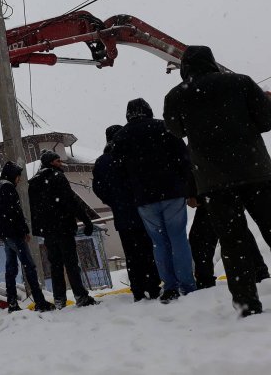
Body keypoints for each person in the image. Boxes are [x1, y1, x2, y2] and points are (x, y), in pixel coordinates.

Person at [164, 45, 271, 316]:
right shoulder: (241, 82)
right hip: (254, 170)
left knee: (233, 242)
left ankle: (247, 302)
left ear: (185, 67)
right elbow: (266, 120)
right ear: (212, 62)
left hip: (213, 180)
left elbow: (176, 130)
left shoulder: (177, 96)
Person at [112, 98, 196, 303]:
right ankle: (187, 284)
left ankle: (170, 286)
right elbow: (185, 159)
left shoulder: (121, 137)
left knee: (158, 243)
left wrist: (133, 193)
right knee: (178, 239)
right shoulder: (165, 128)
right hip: (172, 193)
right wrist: (189, 188)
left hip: (144, 199)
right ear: (148, 111)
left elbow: (118, 172)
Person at [93, 125, 161, 301]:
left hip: (122, 215)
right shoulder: (132, 155)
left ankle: (137, 290)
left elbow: (98, 188)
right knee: (148, 251)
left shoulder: (102, 162)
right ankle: (153, 286)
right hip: (142, 211)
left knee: (131, 254)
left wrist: (114, 201)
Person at [28, 150, 97, 309]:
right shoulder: (57, 178)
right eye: (58, 161)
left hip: (48, 231)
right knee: (71, 263)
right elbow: (71, 201)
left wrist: (40, 228)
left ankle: (59, 299)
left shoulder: (34, 182)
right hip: (63, 227)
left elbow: (33, 209)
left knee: (55, 265)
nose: (61, 164)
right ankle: (80, 295)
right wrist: (86, 220)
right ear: (51, 162)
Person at [0, 161, 56, 313]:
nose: (18, 180)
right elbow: (16, 211)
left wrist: (3, 232)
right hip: (15, 234)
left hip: (5, 235)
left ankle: (12, 304)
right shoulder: (8, 187)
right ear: (14, 175)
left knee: (11, 269)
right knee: (29, 267)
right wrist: (24, 231)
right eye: (18, 176)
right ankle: (40, 302)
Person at [187, 194, 269, 289]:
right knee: (236, 230)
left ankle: (205, 281)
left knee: (232, 232)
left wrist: (197, 196)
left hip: (217, 191)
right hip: (219, 192)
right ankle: (259, 273)